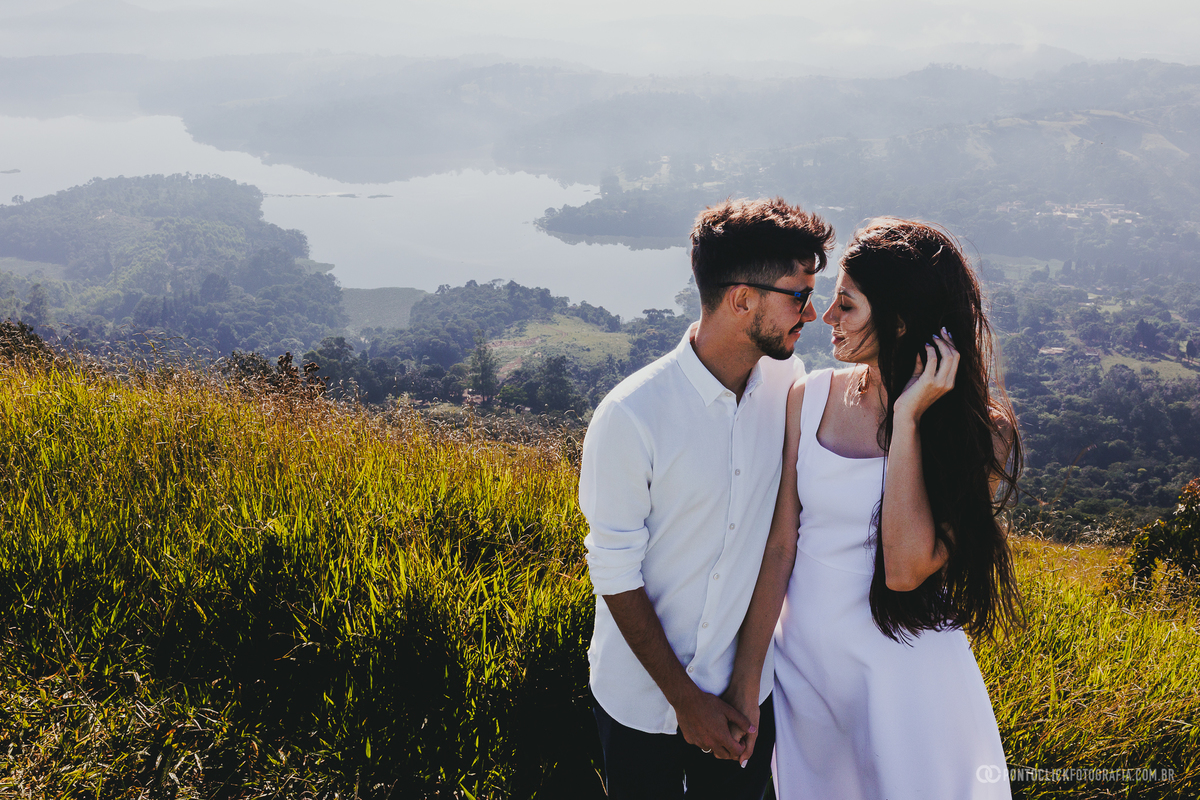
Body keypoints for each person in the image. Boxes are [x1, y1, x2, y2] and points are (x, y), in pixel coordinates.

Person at [725, 218, 1022, 799]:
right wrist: (747, 677)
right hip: (806, 672)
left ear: (900, 320)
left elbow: (906, 568)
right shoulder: (807, 398)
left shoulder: (980, 434)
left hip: (903, 679)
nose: (827, 317)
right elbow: (782, 546)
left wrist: (908, 420)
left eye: (847, 305)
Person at [580, 197, 835, 800]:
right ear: (741, 299)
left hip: (748, 694)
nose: (813, 311)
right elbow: (614, 572)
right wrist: (685, 701)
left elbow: (780, 542)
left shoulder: (789, 388)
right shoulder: (630, 415)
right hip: (641, 700)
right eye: (798, 295)